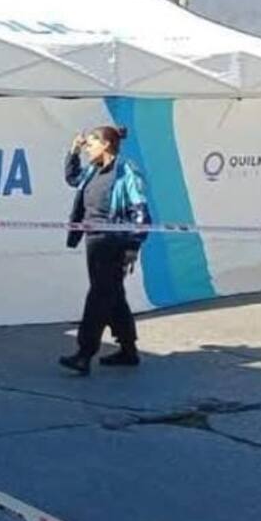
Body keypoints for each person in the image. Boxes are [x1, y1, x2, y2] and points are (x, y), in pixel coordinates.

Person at [58, 126, 150, 377]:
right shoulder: (93, 170)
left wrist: (133, 245)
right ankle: (128, 350)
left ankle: (84, 353)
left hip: (114, 241)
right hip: (94, 239)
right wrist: (73, 151)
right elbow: (72, 179)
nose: (88, 148)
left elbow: (140, 209)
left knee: (99, 296)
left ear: (106, 144)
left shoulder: (125, 171)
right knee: (113, 294)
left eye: (91, 144)